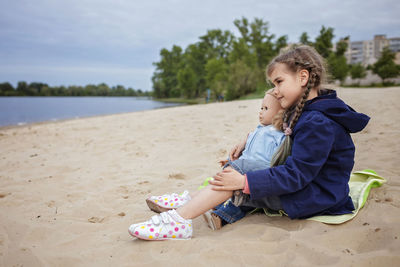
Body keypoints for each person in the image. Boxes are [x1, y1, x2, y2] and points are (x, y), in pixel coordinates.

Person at [129, 45, 370, 241]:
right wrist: (247, 140)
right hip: (312, 190)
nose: (275, 91)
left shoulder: (317, 121)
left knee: (242, 170)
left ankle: (180, 220)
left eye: (278, 82)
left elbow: (297, 175)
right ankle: (192, 201)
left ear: (303, 77)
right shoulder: (309, 112)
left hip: (317, 198)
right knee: (242, 168)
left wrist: (245, 181)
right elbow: (280, 138)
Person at [128, 91, 286, 240]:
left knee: (233, 198)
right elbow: (250, 153)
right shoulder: (258, 130)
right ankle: (190, 201)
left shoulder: (279, 135)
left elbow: (272, 161)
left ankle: (190, 212)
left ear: (281, 113)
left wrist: (241, 167)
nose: (260, 112)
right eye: (261, 108)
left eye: (266, 108)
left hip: (258, 180)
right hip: (245, 170)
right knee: (225, 181)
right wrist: (234, 160)